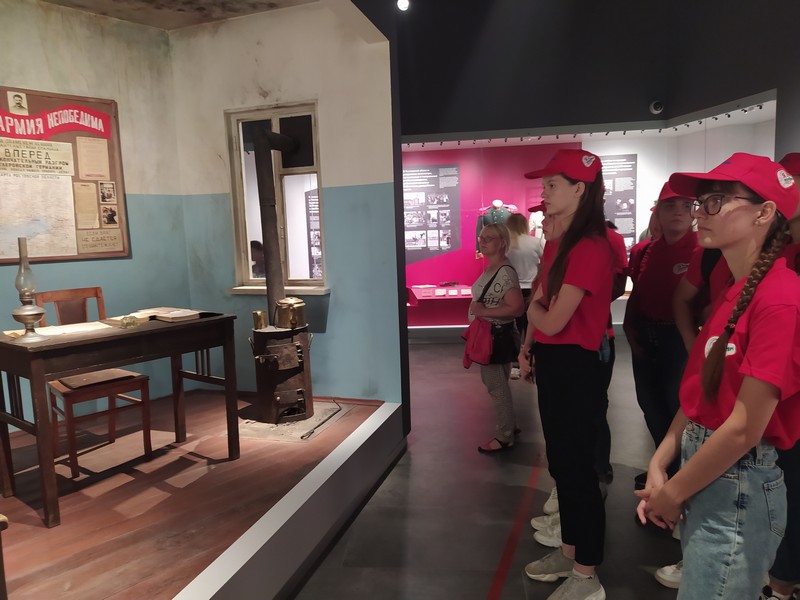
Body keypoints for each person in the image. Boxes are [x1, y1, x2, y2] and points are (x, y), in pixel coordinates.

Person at [635, 153, 800, 600]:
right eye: (701, 202)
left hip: (738, 482)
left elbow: (745, 428)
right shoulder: (736, 290)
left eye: (717, 201)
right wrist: (661, 460)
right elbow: (702, 394)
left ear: (764, 212)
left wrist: (673, 492)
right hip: (710, 471)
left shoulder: (780, 298)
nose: (700, 213)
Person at [519, 149, 613, 600]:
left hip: (576, 364)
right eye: (544, 185)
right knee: (562, 464)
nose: (544, 193)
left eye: (552, 185)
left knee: (577, 471)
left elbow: (550, 318)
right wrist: (533, 331)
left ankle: (587, 574)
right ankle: (571, 551)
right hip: (557, 363)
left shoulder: (591, 247)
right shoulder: (562, 245)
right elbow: (542, 306)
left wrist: (533, 312)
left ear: (580, 189)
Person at [623, 183, 696, 488]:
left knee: (679, 408)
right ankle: (663, 470)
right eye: (670, 206)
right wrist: (631, 331)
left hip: (680, 341)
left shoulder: (704, 251)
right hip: (646, 336)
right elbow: (638, 294)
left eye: (685, 206)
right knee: (650, 405)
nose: (678, 212)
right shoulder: (643, 251)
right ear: (658, 213)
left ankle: (682, 478)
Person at [469, 222, 524, 453]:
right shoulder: (494, 267)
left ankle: (504, 435)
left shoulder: (504, 272)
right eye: (481, 237)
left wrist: (483, 311)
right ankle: (509, 424)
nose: (482, 241)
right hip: (494, 334)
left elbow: (517, 308)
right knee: (498, 382)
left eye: (489, 238)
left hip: (495, 336)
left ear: (502, 242)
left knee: (496, 385)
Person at [505, 212, 544, 379]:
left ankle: (515, 365)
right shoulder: (535, 242)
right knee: (531, 328)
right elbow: (545, 262)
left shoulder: (506, 244)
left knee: (513, 329)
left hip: (511, 290)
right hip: (532, 290)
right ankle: (530, 363)